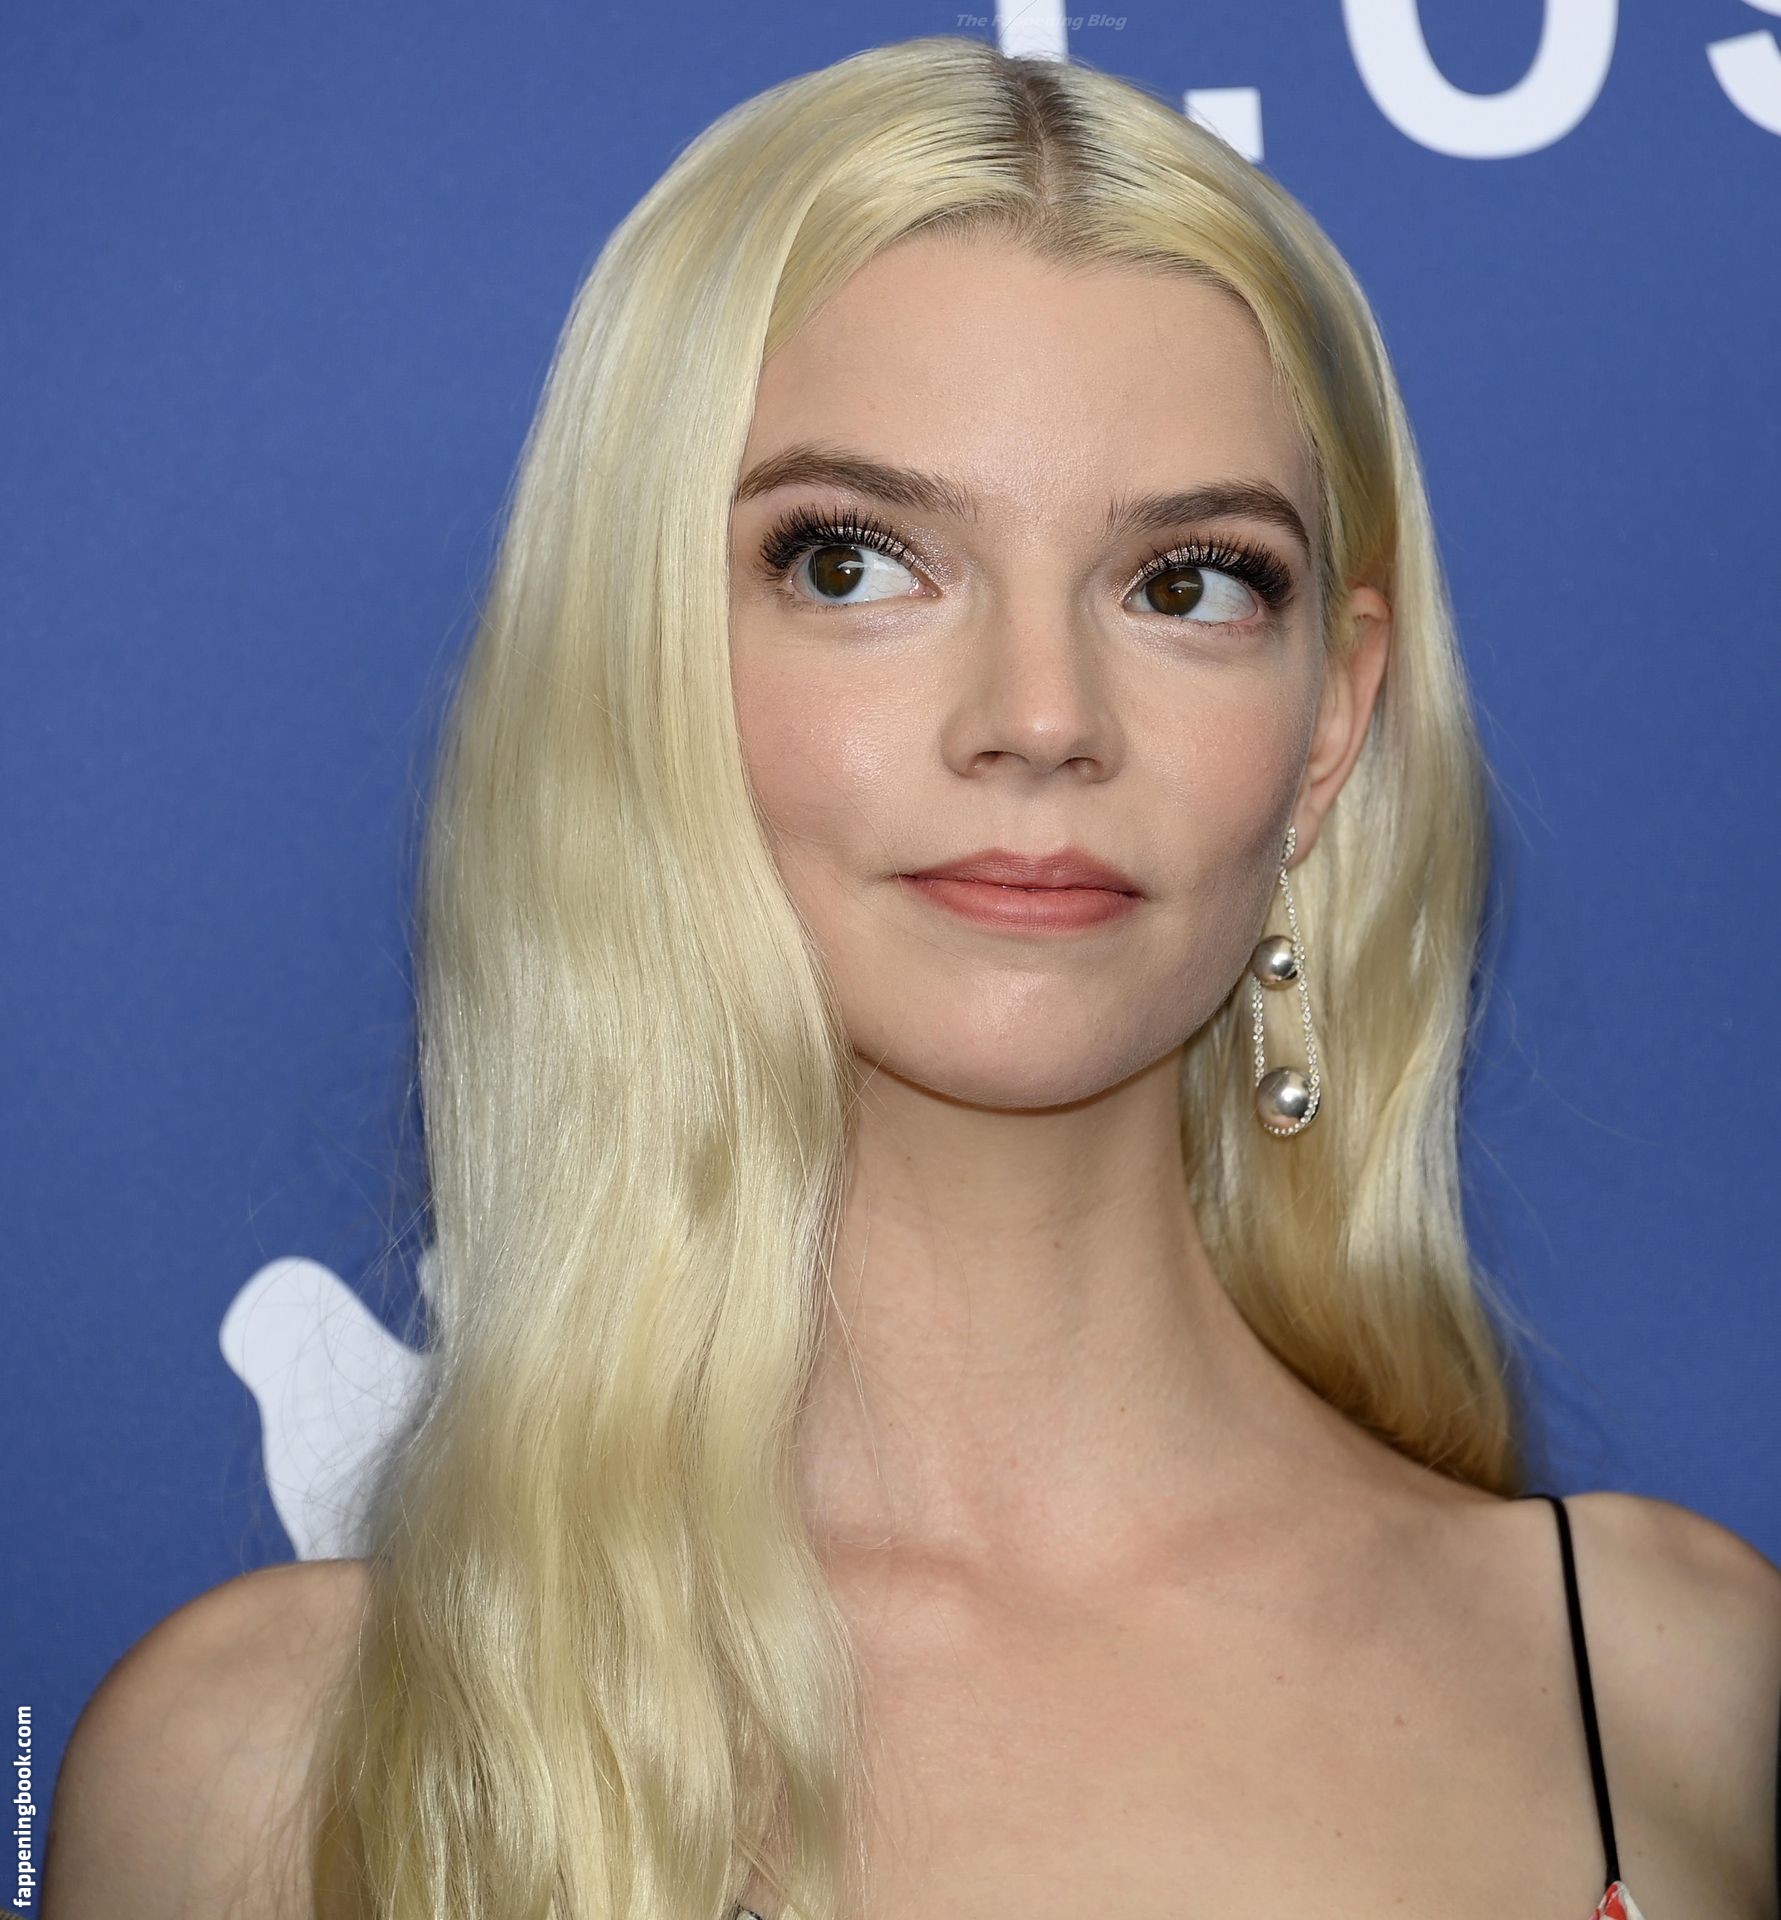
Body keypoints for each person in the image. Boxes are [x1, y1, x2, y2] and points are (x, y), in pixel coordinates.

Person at [41, 33, 1780, 1920]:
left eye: (1187, 583)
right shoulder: (261, 1775)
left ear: (1330, 725)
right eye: (854, 564)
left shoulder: (1669, 1686)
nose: (1039, 716)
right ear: (639, 658)